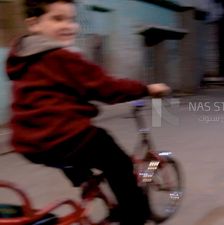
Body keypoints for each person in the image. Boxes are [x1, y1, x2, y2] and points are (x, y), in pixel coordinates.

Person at [5, 0, 170, 224]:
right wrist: (146, 89)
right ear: (34, 24)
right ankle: (134, 216)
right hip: (63, 136)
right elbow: (105, 87)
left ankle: (85, 182)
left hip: (29, 143)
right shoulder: (61, 57)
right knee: (119, 162)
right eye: (57, 19)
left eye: (72, 20)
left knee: (73, 157)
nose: (68, 26)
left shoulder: (22, 58)